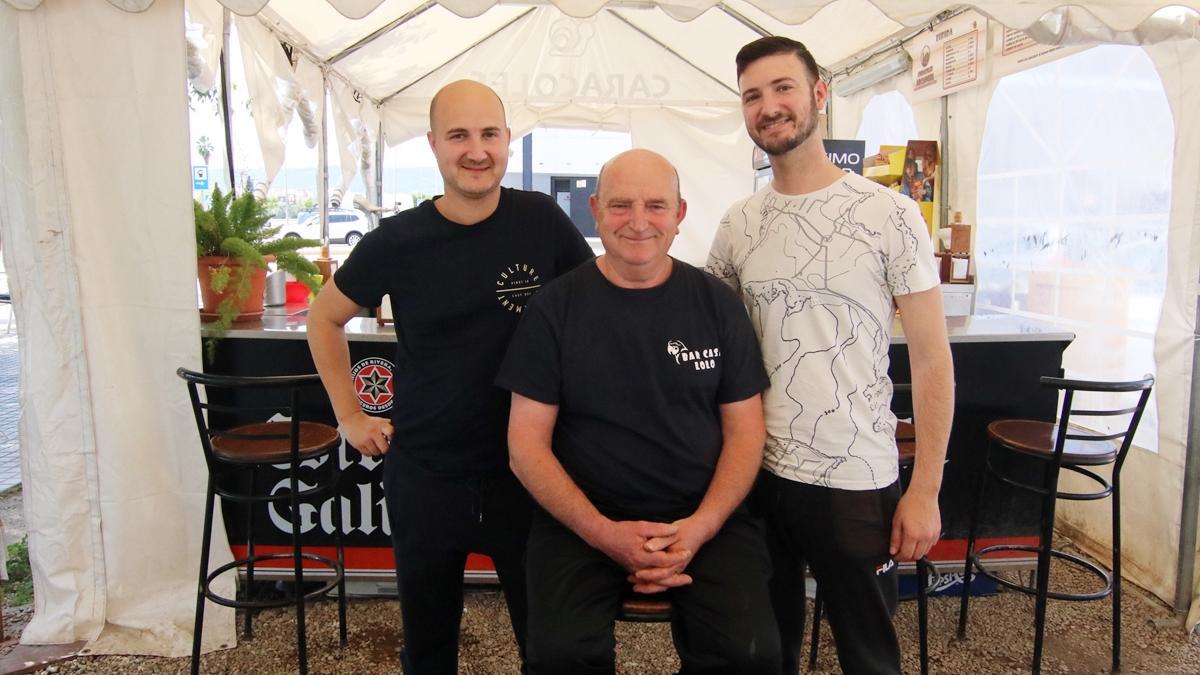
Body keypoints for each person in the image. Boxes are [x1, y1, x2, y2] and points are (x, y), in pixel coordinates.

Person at [306, 79, 593, 674]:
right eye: (459, 135)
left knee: (547, 645)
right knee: (429, 647)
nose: (476, 149)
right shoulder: (398, 240)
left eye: (489, 134)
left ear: (508, 141)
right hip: (427, 474)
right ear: (434, 145)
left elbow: (593, 311)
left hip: (529, 472)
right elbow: (323, 318)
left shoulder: (540, 221)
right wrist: (350, 414)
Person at [707, 37, 955, 675]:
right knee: (766, 651)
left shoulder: (890, 215)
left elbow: (931, 359)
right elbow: (715, 346)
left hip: (855, 478)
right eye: (752, 96)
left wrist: (925, 487)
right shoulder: (739, 223)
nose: (769, 107)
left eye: (783, 88)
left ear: (819, 94)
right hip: (756, 475)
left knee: (870, 657)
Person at [497, 149, 781, 675]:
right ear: (596, 210)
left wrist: (698, 528)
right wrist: (607, 535)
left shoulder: (718, 305)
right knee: (560, 656)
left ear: (680, 214)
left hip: (705, 518)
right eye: (621, 205)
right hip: (581, 521)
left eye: (656, 206)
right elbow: (525, 447)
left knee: (752, 655)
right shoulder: (554, 309)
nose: (639, 222)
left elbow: (745, 434)